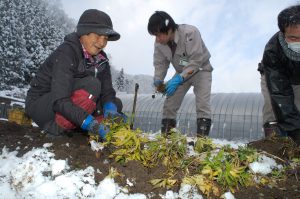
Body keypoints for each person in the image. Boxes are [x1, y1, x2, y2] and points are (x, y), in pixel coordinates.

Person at [25, 9, 125, 139]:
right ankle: (57, 129)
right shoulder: (67, 53)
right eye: (98, 35)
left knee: (116, 104)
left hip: (69, 103)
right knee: (92, 85)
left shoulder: (101, 59)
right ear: (83, 33)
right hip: (44, 105)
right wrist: (91, 124)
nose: (102, 43)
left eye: (105, 38)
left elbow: (107, 91)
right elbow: (60, 100)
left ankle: (86, 128)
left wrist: (110, 108)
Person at [147, 11, 213, 137]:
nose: (157, 39)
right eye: (155, 36)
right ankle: (167, 138)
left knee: (202, 104)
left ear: (170, 29)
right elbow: (160, 63)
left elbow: (196, 61)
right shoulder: (159, 44)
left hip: (201, 69)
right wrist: (158, 80)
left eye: (159, 35)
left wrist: (178, 79)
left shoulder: (190, 33)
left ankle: (202, 141)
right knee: (170, 103)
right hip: (181, 72)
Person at [258, 5, 300, 145]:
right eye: (294, 38)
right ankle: (274, 145)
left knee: (297, 107)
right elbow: (280, 94)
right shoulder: (273, 50)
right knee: (273, 106)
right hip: (274, 77)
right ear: (283, 34)